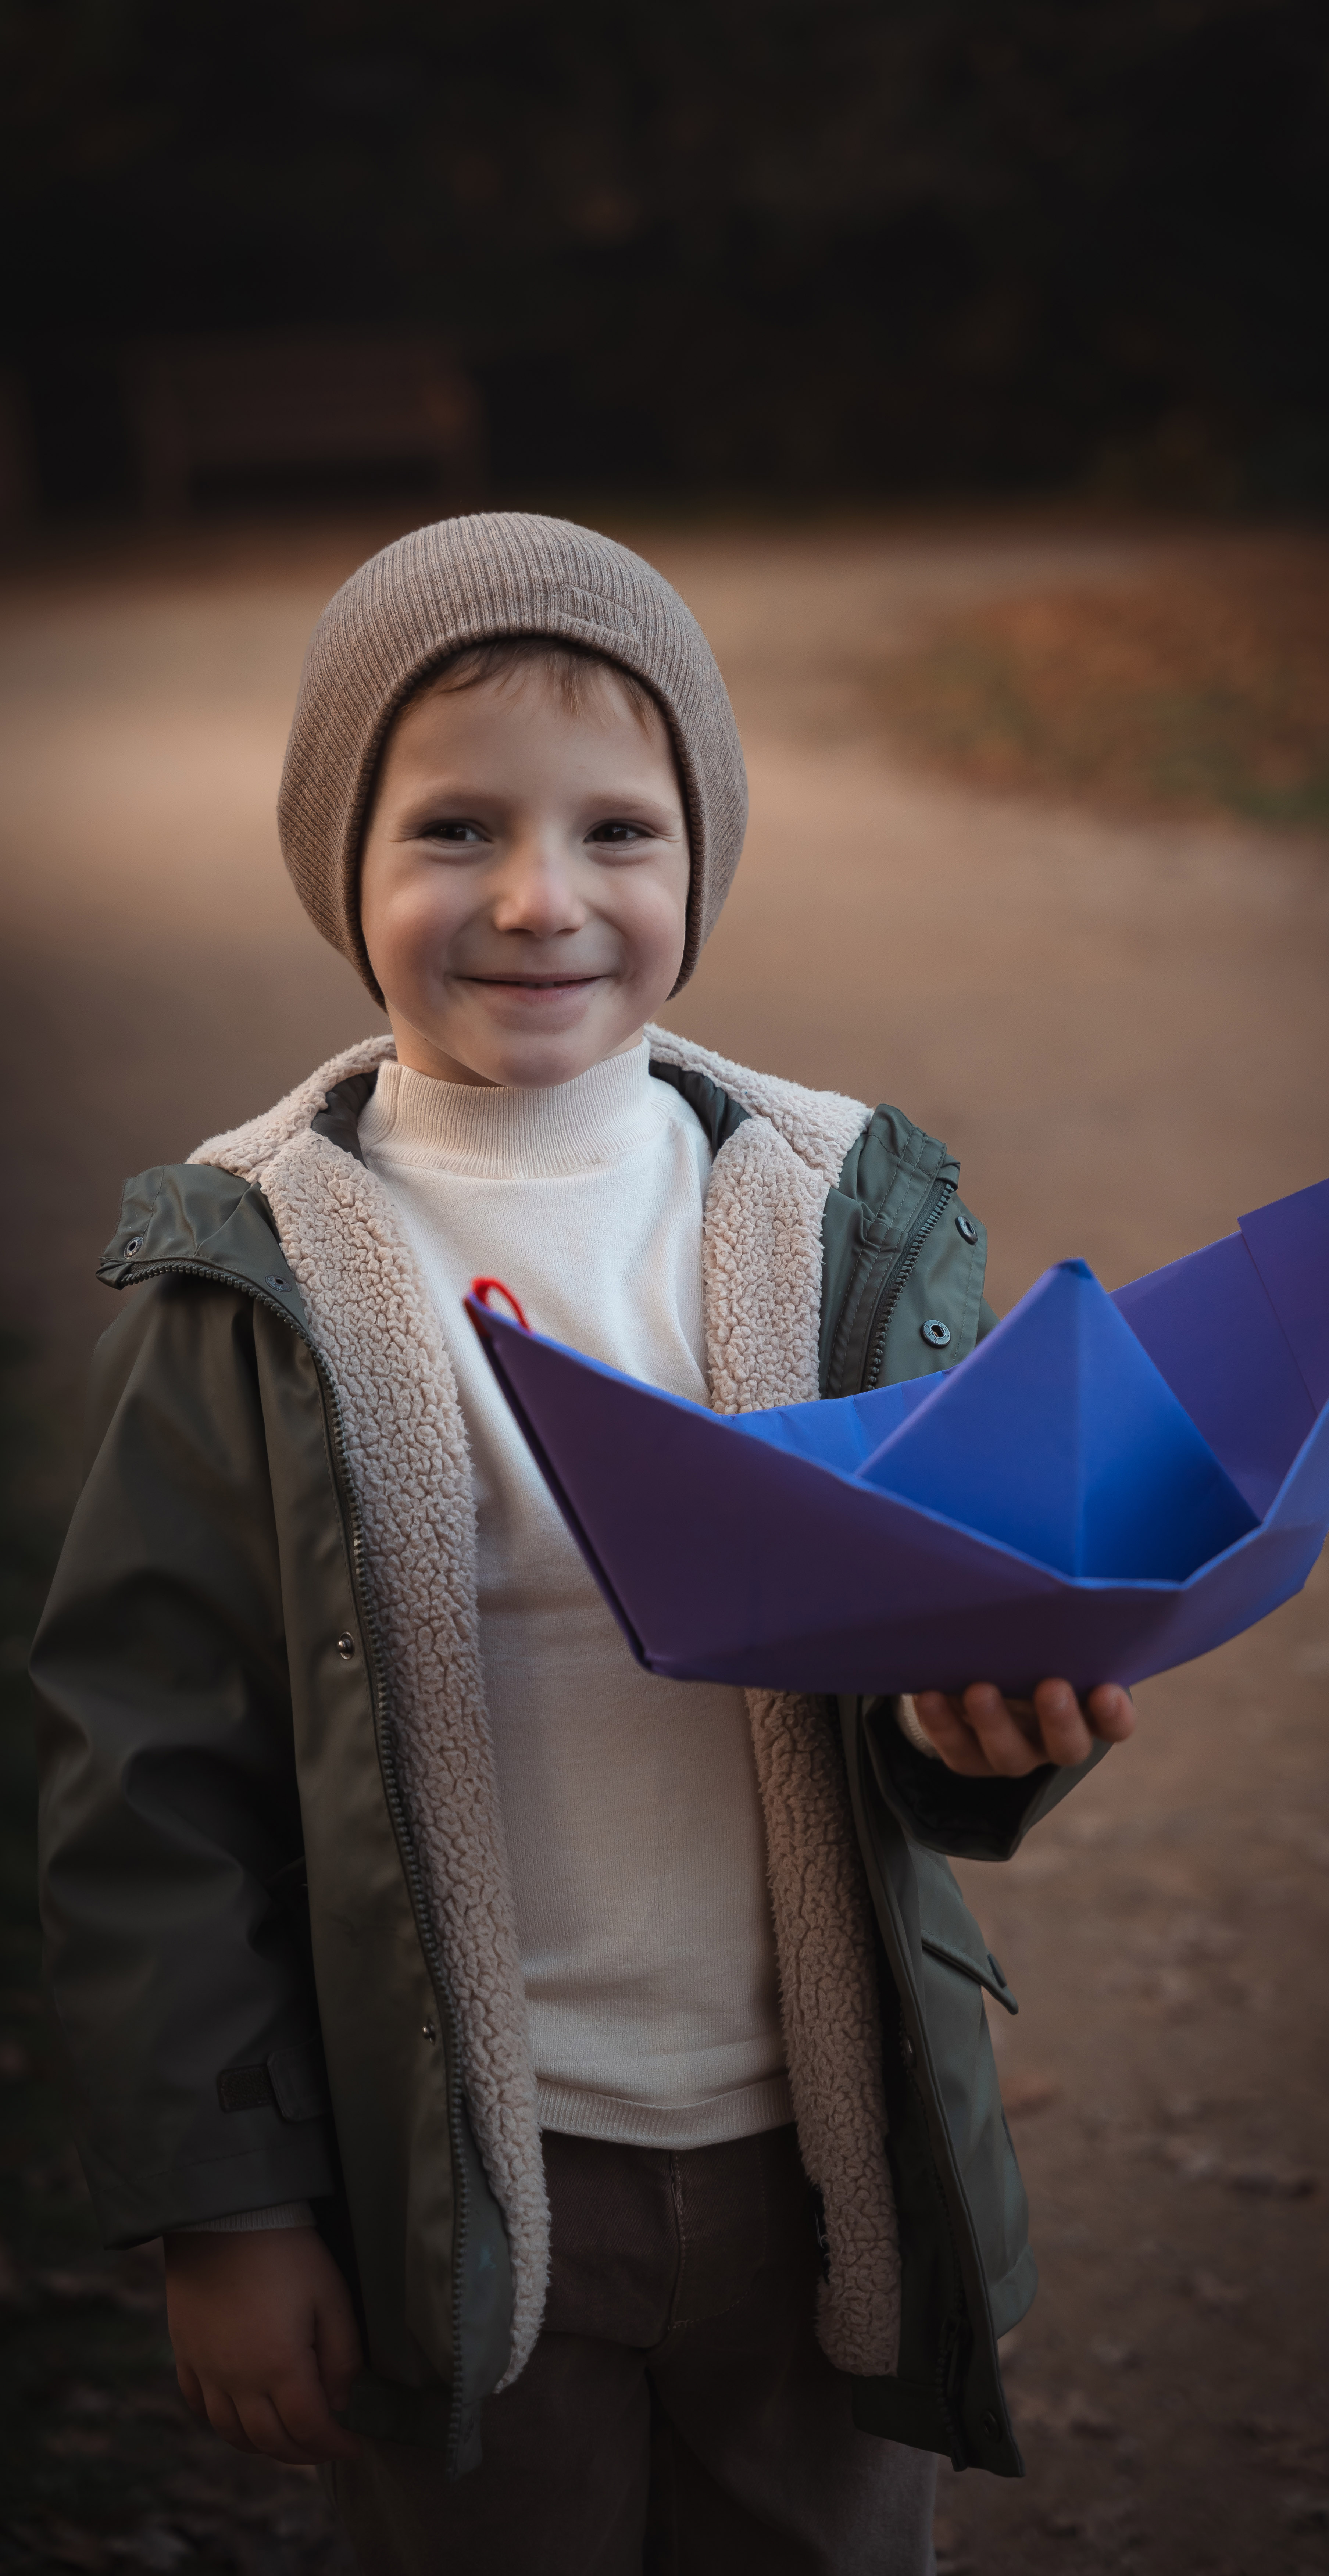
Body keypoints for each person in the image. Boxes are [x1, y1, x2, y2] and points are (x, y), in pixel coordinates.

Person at [33, 515, 1134, 2576]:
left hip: (828, 2169)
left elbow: (938, 1650)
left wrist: (991, 1735)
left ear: (699, 859)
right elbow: (145, 1781)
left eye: (619, 831)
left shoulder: (837, 1217)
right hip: (448, 2186)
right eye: (453, 828)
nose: (541, 901)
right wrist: (229, 2206)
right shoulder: (250, 1266)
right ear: (335, 866)